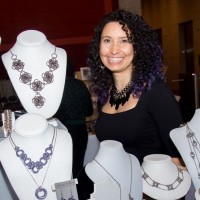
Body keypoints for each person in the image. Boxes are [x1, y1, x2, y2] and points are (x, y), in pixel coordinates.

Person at [87, 9, 183, 166]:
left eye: (124, 40)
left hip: (150, 188)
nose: (114, 49)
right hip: (116, 186)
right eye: (107, 40)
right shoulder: (106, 94)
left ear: (138, 47)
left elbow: (178, 159)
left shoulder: (156, 92)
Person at [54, 59, 93, 178]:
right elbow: (89, 111)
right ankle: (80, 193)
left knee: (64, 167)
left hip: (62, 130)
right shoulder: (80, 84)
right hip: (80, 130)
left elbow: (53, 112)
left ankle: (67, 194)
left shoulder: (55, 87)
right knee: (78, 164)